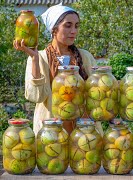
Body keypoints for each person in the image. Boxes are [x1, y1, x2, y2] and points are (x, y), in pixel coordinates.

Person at [13, 3, 103, 135]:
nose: (73, 31)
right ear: (54, 29)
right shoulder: (41, 58)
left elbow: (98, 92)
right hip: (52, 136)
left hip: (85, 135)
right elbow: (36, 96)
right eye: (68, 25)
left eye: (76, 26)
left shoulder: (85, 57)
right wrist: (35, 60)